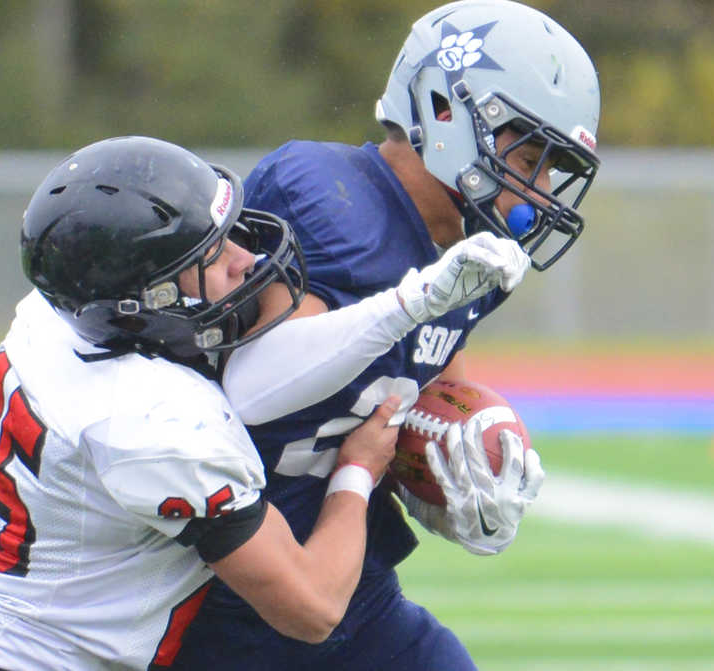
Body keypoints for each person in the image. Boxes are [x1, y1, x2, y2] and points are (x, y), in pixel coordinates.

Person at [170, 1, 601, 669]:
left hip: (352, 584)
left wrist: (461, 468)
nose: (541, 191)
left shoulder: (470, 255)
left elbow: (423, 388)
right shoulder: (324, 193)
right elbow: (258, 385)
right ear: (448, 112)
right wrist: (411, 301)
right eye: (531, 156)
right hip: (217, 588)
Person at [0, 136, 408, 671]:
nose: (246, 259)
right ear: (144, 306)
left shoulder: (55, 316)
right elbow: (314, 608)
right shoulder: (151, 422)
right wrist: (357, 471)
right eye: (210, 258)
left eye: (228, 237)